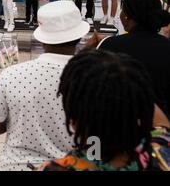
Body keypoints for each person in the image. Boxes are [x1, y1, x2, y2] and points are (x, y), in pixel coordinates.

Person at [0, 0, 90, 170]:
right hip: (73, 166)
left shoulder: (12, 75)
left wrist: (15, 122)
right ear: (79, 36)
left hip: (16, 166)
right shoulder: (95, 79)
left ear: (42, 38)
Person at [39, 50, 170, 171]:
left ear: (73, 116)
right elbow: (161, 124)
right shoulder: (161, 153)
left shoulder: (57, 168)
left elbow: (95, 146)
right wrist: (125, 83)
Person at [88, 0, 170, 118]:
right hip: (161, 128)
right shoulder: (166, 46)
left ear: (127, 15)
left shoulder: (110, 45)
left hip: (117, 124)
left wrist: (87, 50)